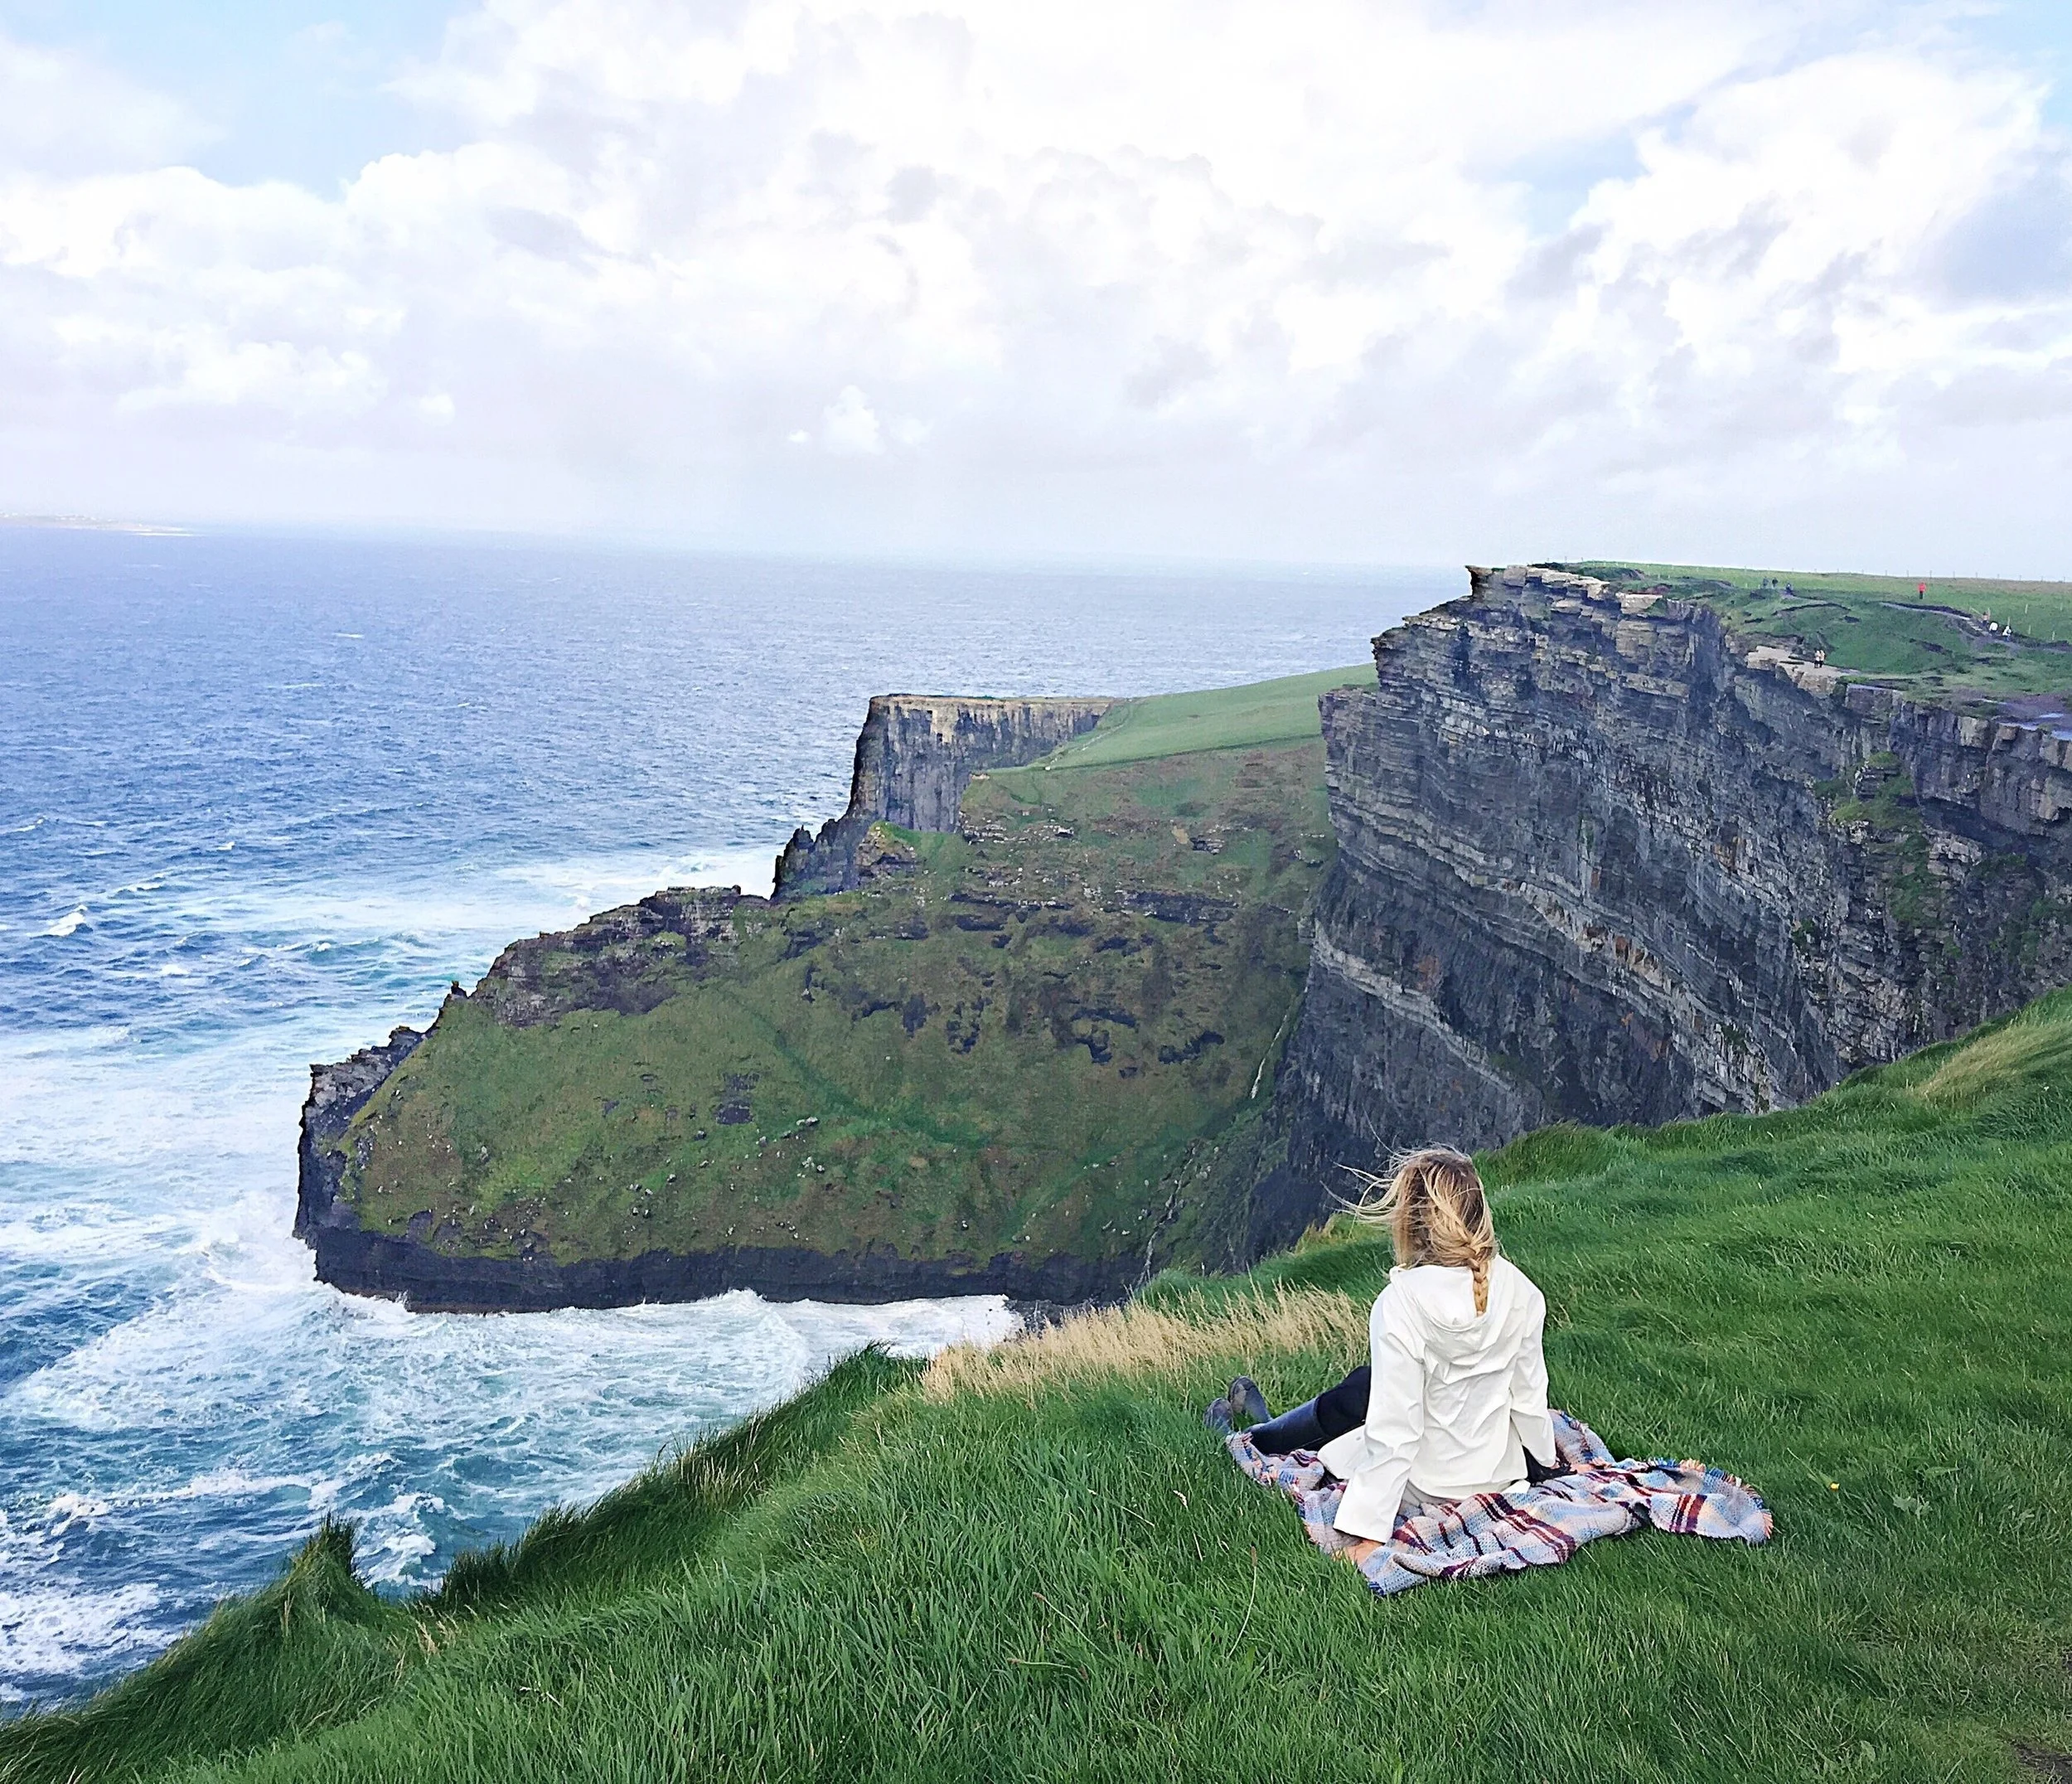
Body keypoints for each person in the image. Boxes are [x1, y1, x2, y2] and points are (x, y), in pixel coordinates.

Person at [1208, 1147, 1559, 1544]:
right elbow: (1530, 1397)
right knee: (1363, 1387)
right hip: (1498, 1474)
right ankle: (1264, 1429)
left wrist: (1366, 1534)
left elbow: (1396, 1431)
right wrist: (1547, 1462)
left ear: (1410, 1222)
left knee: (1351, 1429)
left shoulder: (1399, 1305)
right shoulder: (1523, 1290)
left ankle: (1245, 1438)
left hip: (1429, 1485)